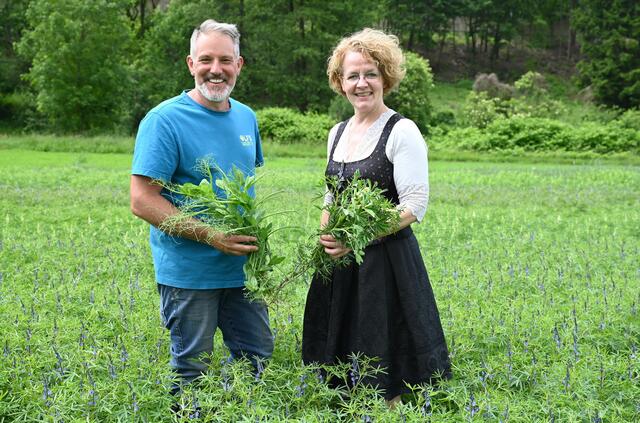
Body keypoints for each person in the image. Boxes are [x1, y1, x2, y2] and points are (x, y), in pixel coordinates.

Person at [302, 28, 451, 406]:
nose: (361, 83)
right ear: (340, 82)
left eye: (370, 73)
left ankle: (391, 409)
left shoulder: (402, 130)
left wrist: (358, 238)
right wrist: (326, 237)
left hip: (386, 263)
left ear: (386, 76)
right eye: (352, 75)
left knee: (385, 355)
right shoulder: (337, 132)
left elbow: (415, 204)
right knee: (343, 358)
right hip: (341, 261)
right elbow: (330, 194)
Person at [130, 19, 273, 396]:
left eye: (225, 60)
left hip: (242, 271)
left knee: (256, 356)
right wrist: (213, 236)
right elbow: (142, 200)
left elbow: (242, 188)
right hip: (189, 275)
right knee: (193, 368)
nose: (216, 69)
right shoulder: (164, 120)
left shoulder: (246, 117)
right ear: (190, 64)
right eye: (205, 59)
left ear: (239, 65)